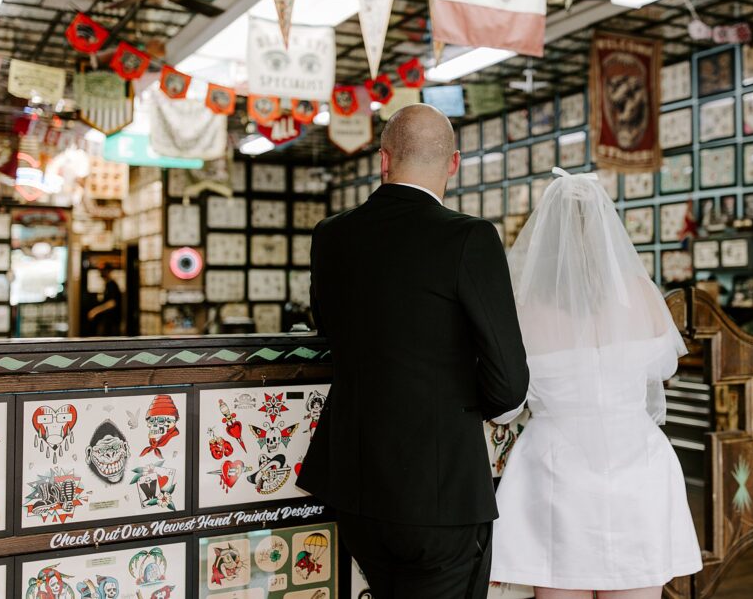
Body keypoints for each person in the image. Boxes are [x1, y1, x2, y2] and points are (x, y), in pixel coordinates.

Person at [298, 104, 530, 599]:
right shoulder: (469, 237)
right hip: (438, 493)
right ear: (454, 163)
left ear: (383, 160)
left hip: (355, 484)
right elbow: (508, 382)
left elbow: (330, 330)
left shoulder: (332, 235)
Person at [489, 168, 703, 598]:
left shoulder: (524, 306)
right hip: (636, 464)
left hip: (553, 470)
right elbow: (664, 367)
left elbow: (508, 399)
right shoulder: (639, 292)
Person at [87, 263, 122, 336]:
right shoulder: (107, 284)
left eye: (102, 270)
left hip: (111, 322)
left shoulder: (112, 284)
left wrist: (96, 311)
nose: (100, 272)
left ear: (108, 271)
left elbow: (112, 303)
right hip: (106, 321)